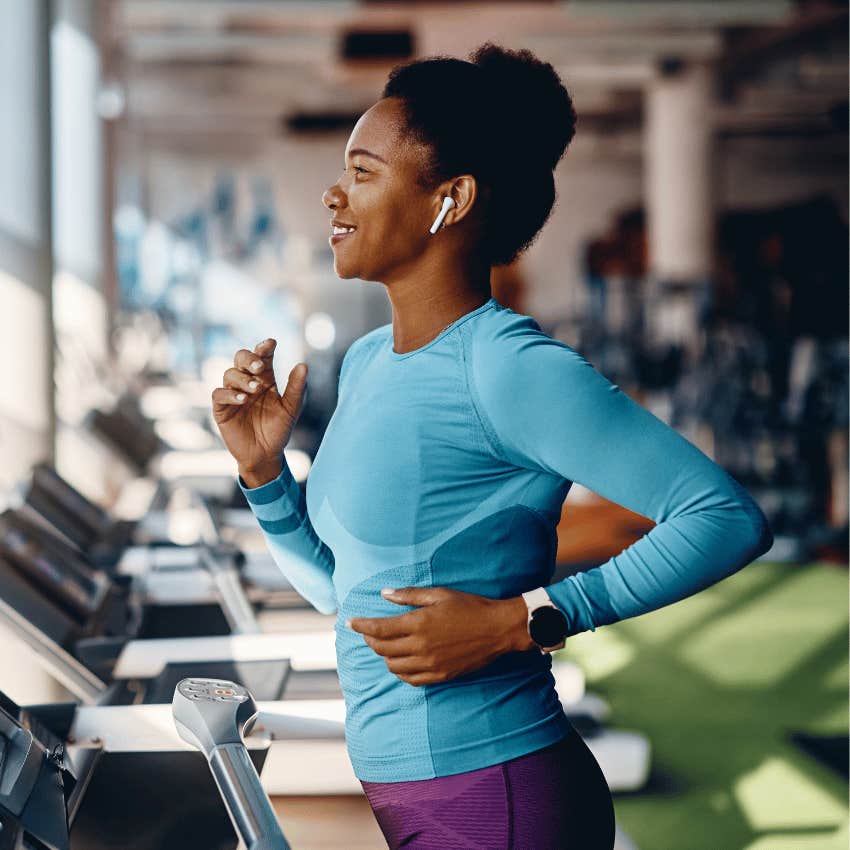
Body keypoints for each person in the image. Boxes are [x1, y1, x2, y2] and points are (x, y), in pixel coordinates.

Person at [212, 43, 773, 850]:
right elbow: (347, 597)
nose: (334, 193)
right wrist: (264, 477)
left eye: (364, 172)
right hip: (412, 791)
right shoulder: (371, 362)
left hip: (498, 794)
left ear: (451, 200)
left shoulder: (508, 366)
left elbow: (724, 517)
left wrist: (530, 620)